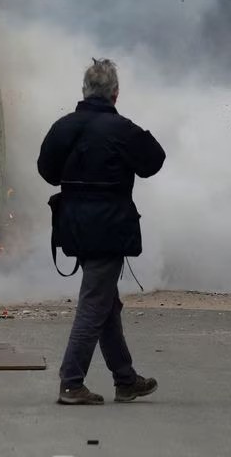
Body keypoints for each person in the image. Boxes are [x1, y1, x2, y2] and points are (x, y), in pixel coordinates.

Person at [37, 58, 165, 405]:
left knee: (106, 303)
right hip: (108, 227)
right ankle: (71, 382)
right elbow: (154, 161)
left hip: (73, 226)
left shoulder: (63, 126)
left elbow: (47, 171)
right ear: (115, 94)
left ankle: (125, 380)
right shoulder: (121, 129)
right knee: (95, 304)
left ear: (84, 91)